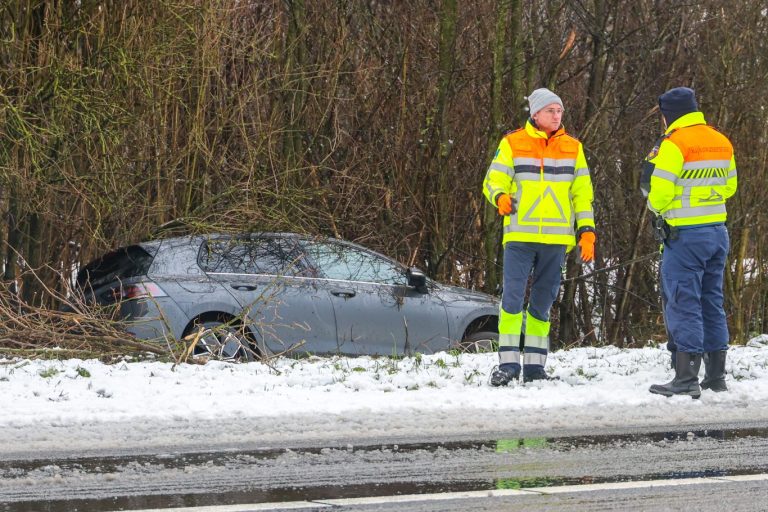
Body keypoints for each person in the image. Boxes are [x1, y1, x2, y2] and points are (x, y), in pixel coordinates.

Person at [483, 88, 596, 386]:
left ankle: (534, 367)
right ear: (535, 114)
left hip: (556, 240)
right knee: (512, 299)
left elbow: (582, 195)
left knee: (542, 303)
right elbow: (493, 179)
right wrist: (500, 197)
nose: (557, 116)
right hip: (520, 236)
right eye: (550, 111)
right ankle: (508, 364)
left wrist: (587, 231)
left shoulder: (573, 148)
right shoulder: (512, 143)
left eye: (559, 111)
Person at [640, 87, 737, 398]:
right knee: (712, 302)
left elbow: (660, 194)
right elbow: (730, 187)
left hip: (685, 236)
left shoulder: (674, 143)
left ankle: (686, 378)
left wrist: (657, 207)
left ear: (668, 114)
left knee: (684, 303)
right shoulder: (721, 140)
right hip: (717, 232)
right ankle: (716, 376)